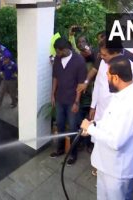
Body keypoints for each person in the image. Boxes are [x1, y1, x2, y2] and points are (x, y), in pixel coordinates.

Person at [80, 56, 133, 200]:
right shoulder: (120, 94)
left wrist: (91, 130)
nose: (107, 80)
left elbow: (116, 142)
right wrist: (94, 125)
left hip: (117, 171)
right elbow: (110, 120)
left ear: (116, 78)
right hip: (106, 165)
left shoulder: (132, 104)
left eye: (108, 76)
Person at [50, 37, 87, 165]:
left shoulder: (79, 61)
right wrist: (52, 94)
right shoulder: (57, 60)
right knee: (59, 125)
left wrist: (77, 102)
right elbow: (55, 77)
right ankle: (60, 150)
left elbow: (81, 84)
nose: (57, 54)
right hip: (60, 99)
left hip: (72, 101)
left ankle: (73, 155)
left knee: (72, 128)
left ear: (65, 50)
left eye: (58, 52)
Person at [89, 41, 133, 121]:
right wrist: (93, 106)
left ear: (115, 53)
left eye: (104, 55)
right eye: (101, 54)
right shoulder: (103, 62)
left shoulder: (130, 68)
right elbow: (98, 83)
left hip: (117, 116)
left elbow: (131, 96)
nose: (101, 57)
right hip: (100, 112)